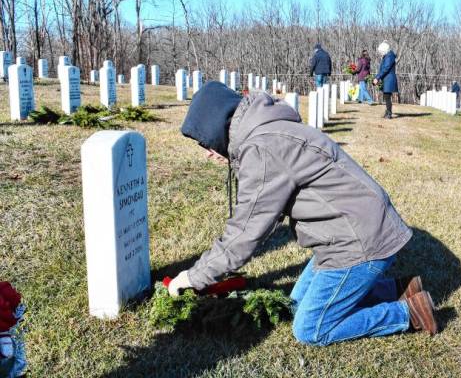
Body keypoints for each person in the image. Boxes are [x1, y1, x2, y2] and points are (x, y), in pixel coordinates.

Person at [168, 81, 438, 346]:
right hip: (348, 233)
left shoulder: (262, 148)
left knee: (311, 327)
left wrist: (194, 277)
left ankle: (410, 313)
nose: (206, 153)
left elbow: (246, 232)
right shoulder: (267, 129)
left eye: (204, 143)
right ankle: (400, 289)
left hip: (358, 241)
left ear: (218, 126)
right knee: (297, 302)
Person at [373, 41, 398, 119]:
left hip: (389, 79)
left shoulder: (389, 56)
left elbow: (386, 68)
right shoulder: (387, 56)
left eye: (381, 51)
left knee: (387, 96)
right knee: (386, 96)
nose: (381, 53)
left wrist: (377, 77)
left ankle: (389, 113)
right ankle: (387, 112)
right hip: (386, 78)